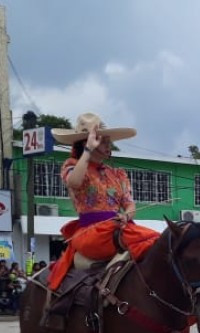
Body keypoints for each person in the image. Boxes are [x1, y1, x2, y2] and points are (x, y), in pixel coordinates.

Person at [46, 113, 158, 294]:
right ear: (88, 143)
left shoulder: (118, 174)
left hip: (117, 227)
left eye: (108, 142)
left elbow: (130, 205)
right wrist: (88, 151)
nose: (108, 145)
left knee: (158, 241)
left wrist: (126, 216)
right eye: (103, 141)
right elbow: (74, 182)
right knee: (153, 240)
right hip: (92, 231)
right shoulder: (72, 165)